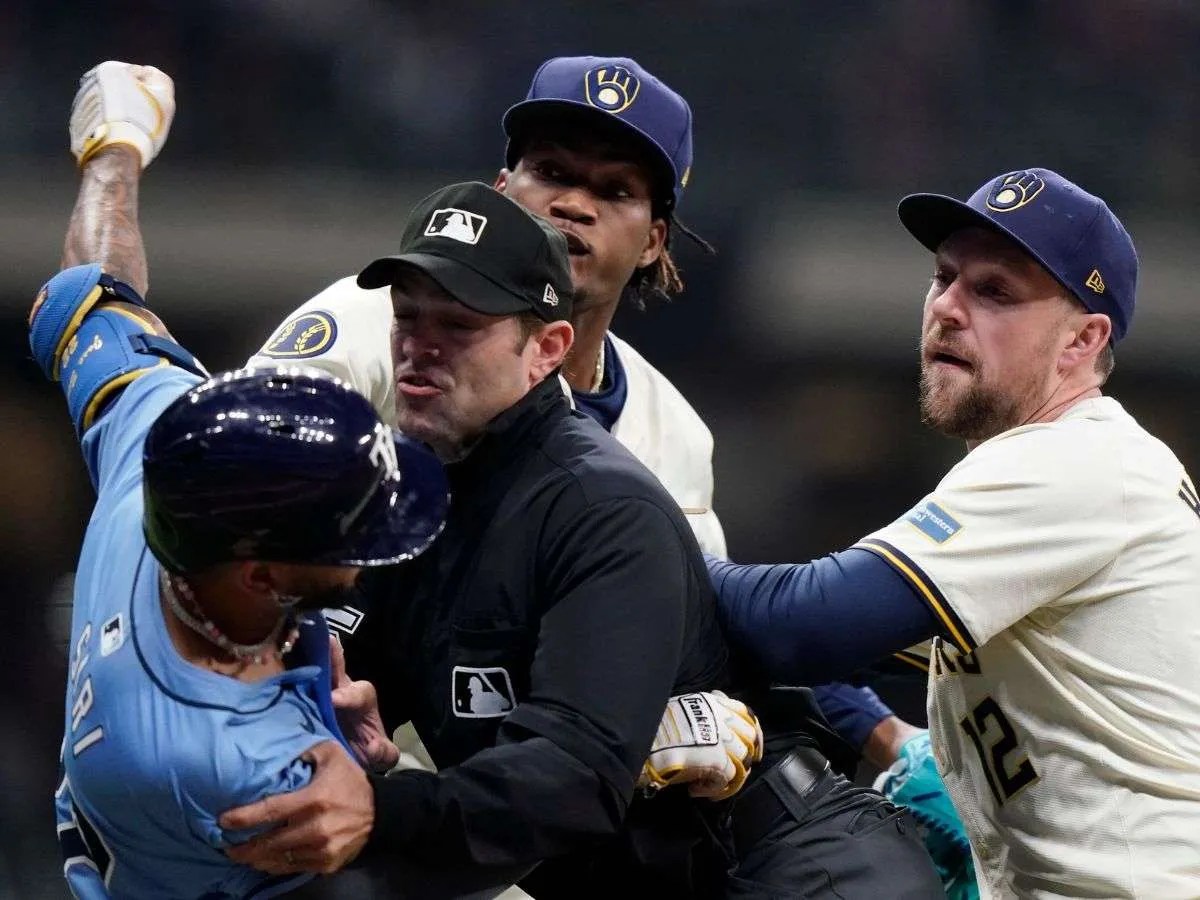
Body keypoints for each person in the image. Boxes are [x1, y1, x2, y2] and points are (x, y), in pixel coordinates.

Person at [65, 59, 942, 898]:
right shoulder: (372, 331)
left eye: (615, 190)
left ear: (654, 241)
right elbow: (206, 479)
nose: (573, 204)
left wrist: (858, 725)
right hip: (388, 786)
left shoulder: (666, 436)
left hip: (540, 820)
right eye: (551, 170)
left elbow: (694, 631)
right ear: (501, 189)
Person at [709, 167, 1200, 898]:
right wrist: (893, 736)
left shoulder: (1078, 462)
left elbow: (803, 626)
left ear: (1082, 339)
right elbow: (835, 652)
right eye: (944, 278)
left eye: (994, 292)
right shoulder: (1062, 470)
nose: (947, 308)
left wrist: (642, 546)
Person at [33, 265, 449, 897]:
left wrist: (113, 162)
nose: (369, 552)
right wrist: (383, 782)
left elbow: (76, 303)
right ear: (260, 576)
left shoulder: (155, 443)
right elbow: (421, 867)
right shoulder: (242, 763)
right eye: (352, 539)